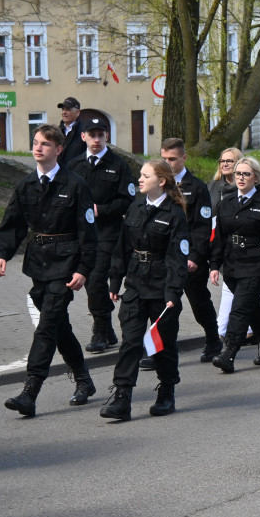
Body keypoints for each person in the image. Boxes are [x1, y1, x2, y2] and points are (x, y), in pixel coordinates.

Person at [1, 125, 98, 417]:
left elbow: (88, 232)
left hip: (66, 266)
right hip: (39, 264)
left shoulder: (75, 184)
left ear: (58, 150)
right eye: (35, 142)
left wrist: (83, 269)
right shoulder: (27, 184)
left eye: (45, 144)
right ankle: (83, 378)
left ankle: (30, 390)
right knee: (58, 325)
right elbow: (13, 224)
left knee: (46, 327)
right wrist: (3, 254)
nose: (38, 148)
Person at [101, 160, 190, 421]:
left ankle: (166, 391)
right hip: (136, 285)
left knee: (162, 345)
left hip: (162, 288)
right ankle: (122, 398)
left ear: (161, 181)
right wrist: (115, 281)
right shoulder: (136, 207)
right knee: (130, 341)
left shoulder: (175, 214)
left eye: (145, 175)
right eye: (140, 175)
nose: (139, 179)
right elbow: (122, 248)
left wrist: (173, 293)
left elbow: (178, 258)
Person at [209, 157, 260, 372]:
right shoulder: (226, 203)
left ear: (256, 177)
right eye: (238, 174)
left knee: (240, 308)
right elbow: (219, 237)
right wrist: (214, 265)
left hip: (257, 263)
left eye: (246, 174)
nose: (241, 178)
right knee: (251, 306)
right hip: (232, 263)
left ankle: (229, 352)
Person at [69, 118, 135, 354]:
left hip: (108, 233)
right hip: (82, 235)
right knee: (88, 282)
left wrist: (101, 209)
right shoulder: (74, 165)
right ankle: (107, 329)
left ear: (107, 136)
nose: (96, 139)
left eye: (100, 135)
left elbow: (128, 200)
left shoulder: (118, 165)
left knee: (96, 279)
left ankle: (99, 331)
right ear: (83, 136)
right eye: (92, 134)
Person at [155, 138, 221, 364]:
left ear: (183, 158)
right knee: (163, 305)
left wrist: (194, 257)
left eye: (171, 159)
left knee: (199, 303)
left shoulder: (197, 187)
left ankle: (213, 340)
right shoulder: (157, 185)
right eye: (163, 158)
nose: (167, 163)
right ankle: (159, 350)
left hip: (190, 258)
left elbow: (203, 227)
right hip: (164, 257)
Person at [207, 146, 242, 340]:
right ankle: (248, 329)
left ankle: (221, 330)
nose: (226, 164)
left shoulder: (243, 185)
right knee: (235, 288)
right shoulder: (212, 186)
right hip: (217, 242)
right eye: (223, 161)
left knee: (234, 287)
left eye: (230, 160)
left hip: (238, 245)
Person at [56, 97, 87, 165]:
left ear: (78, 112)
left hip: (77, 173)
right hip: (58, 173)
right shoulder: (56, 131)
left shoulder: (85, 131)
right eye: (63, 109)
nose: (64, 112)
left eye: (68, 109)